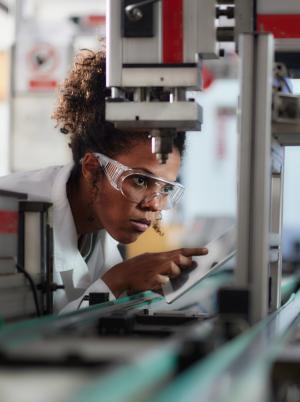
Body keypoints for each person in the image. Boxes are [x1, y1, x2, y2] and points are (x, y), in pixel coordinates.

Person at [0, 49, 207, 313]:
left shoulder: (97, 223)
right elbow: (21, 340)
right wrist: (119, 279)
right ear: (92, 168)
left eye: (165, 188)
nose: (154, 205)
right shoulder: (12, 214)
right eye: (140, 181)